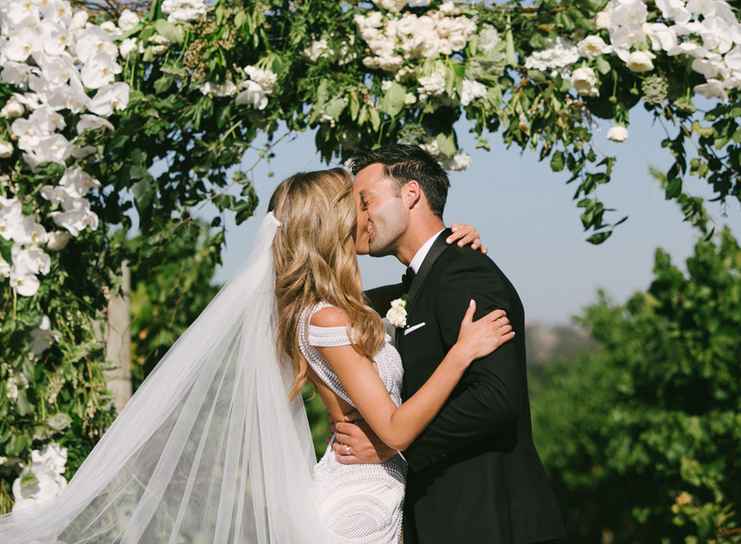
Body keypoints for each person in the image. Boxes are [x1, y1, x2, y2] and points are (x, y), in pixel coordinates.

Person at [0, 167, 511, 544]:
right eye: (356, 204)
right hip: (360, 504)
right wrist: (463, 352)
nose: (367, 214)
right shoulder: (328, 321)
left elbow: (394, 301)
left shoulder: (328, 311)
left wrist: (444, 252)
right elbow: (395, 430)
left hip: (377, 494)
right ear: (331, 223)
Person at [331, 144, 567, 544]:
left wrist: (394, 446)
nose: (358, 217)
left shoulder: (466, 273)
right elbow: (336, 304)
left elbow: (495, 399)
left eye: (365, 201)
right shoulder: (422, 281)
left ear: (411, 194)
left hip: (489, 522)